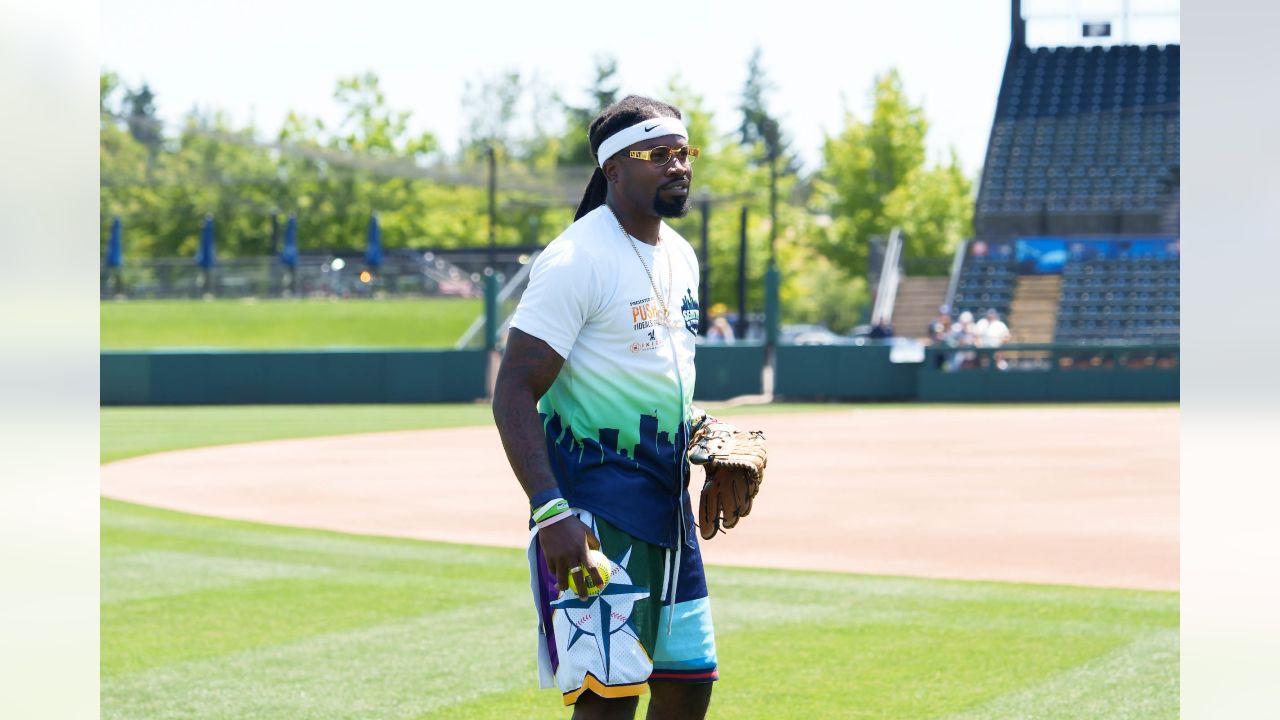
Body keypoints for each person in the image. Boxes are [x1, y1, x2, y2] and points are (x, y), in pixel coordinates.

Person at [492, 95, 717, 720]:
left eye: (683, 153)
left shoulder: (681, 255)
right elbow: (513, 390)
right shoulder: (576, 258)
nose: (678, 166)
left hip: (669, 513)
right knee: (607, 705)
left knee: (688, 685)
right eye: (658, 155)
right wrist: (550, 512)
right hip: (594, 516)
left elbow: (653, 377)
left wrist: (700, 431)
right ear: (614, 170)